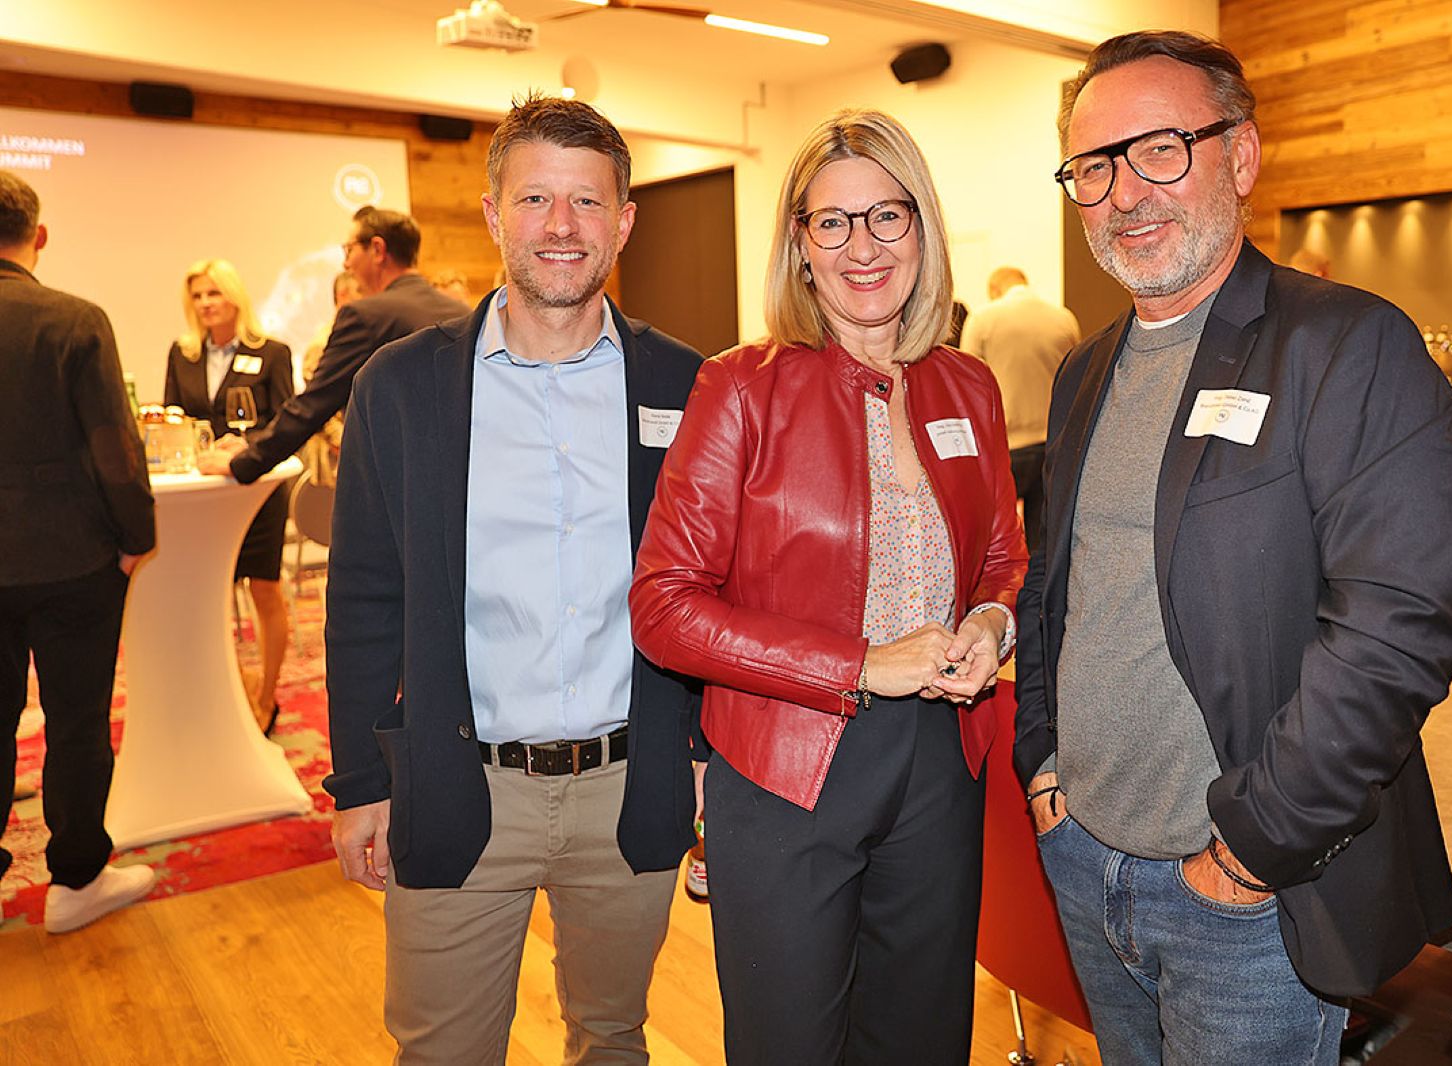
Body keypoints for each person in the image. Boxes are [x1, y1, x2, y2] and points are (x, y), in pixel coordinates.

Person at [1014, 31, 1452, 1064]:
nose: (1126, 192)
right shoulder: (1083, 371)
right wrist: (1042, 765)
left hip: (1245, 899)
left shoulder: (1345, 346)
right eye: (1093, 166)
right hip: (1084, 859)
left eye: (1160, 148)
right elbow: (1056, 587)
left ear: (1242, 156)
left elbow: (1396, 629)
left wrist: (1250, 851)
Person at [631, 108, 1029, 1065]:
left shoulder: (967, 386)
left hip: (940, 763)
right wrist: (858, 664)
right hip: (786, 767)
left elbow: (1004, 559)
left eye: (887, 215)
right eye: (833, 222)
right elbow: (664, 606)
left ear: (921, 228)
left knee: (923, 1038)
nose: (863, 246)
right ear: (800, 245)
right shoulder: (740, 388)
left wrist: (989, 622)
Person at [323, 95, 704, 1064]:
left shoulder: (686, 385)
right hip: (457, 786)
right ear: (495, 214)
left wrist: (703, 752)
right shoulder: (401, 388)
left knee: (614, 1038)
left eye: (587, 201)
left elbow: (715, 585)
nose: (561, 225)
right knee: (442, 1051)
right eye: (535, 198)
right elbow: (363, 596)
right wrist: (360, 782)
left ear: (624, 221)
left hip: (631, 788)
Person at [0, 170, 158, 933]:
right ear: (39, 235)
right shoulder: (73, 319)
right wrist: (136, 539)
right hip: (72, 560)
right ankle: (75, 881)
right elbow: (114, 448)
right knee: (76, 723)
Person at [201, 207, 465, 483]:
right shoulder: (460, 311)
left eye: (349, 250)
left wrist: (244, 463)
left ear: (377, 249)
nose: (346, 264)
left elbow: (314, 405)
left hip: (396, 481)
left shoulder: (365, 316)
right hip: (460, 478)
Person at [164, 259, 294, 732]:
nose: (205, 304)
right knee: (211, 592)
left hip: (256, 488)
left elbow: (285, 420)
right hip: (206, 496)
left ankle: (266, 696)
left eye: (213, 293)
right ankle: (234, 690)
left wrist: (247, 445)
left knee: (264, 589)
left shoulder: (271, 352)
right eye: (198, 296)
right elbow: (175, 416)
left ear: (234, 297)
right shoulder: (183, 354)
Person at [962, 265, 1081, 552]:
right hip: (1052, 446)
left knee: (999, 542)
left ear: (994, 290)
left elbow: (966, 387)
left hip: (1005, 447)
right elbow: (1078, 379)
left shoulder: (983, 320)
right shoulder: (1063, 318)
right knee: (1043, 546)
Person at [297, 269, 363, 486]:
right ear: (342, 296)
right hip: (333, 457)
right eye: (361, 291)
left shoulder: (362, 336)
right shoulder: (324, 343)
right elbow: (319, 406)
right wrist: (348, 444)